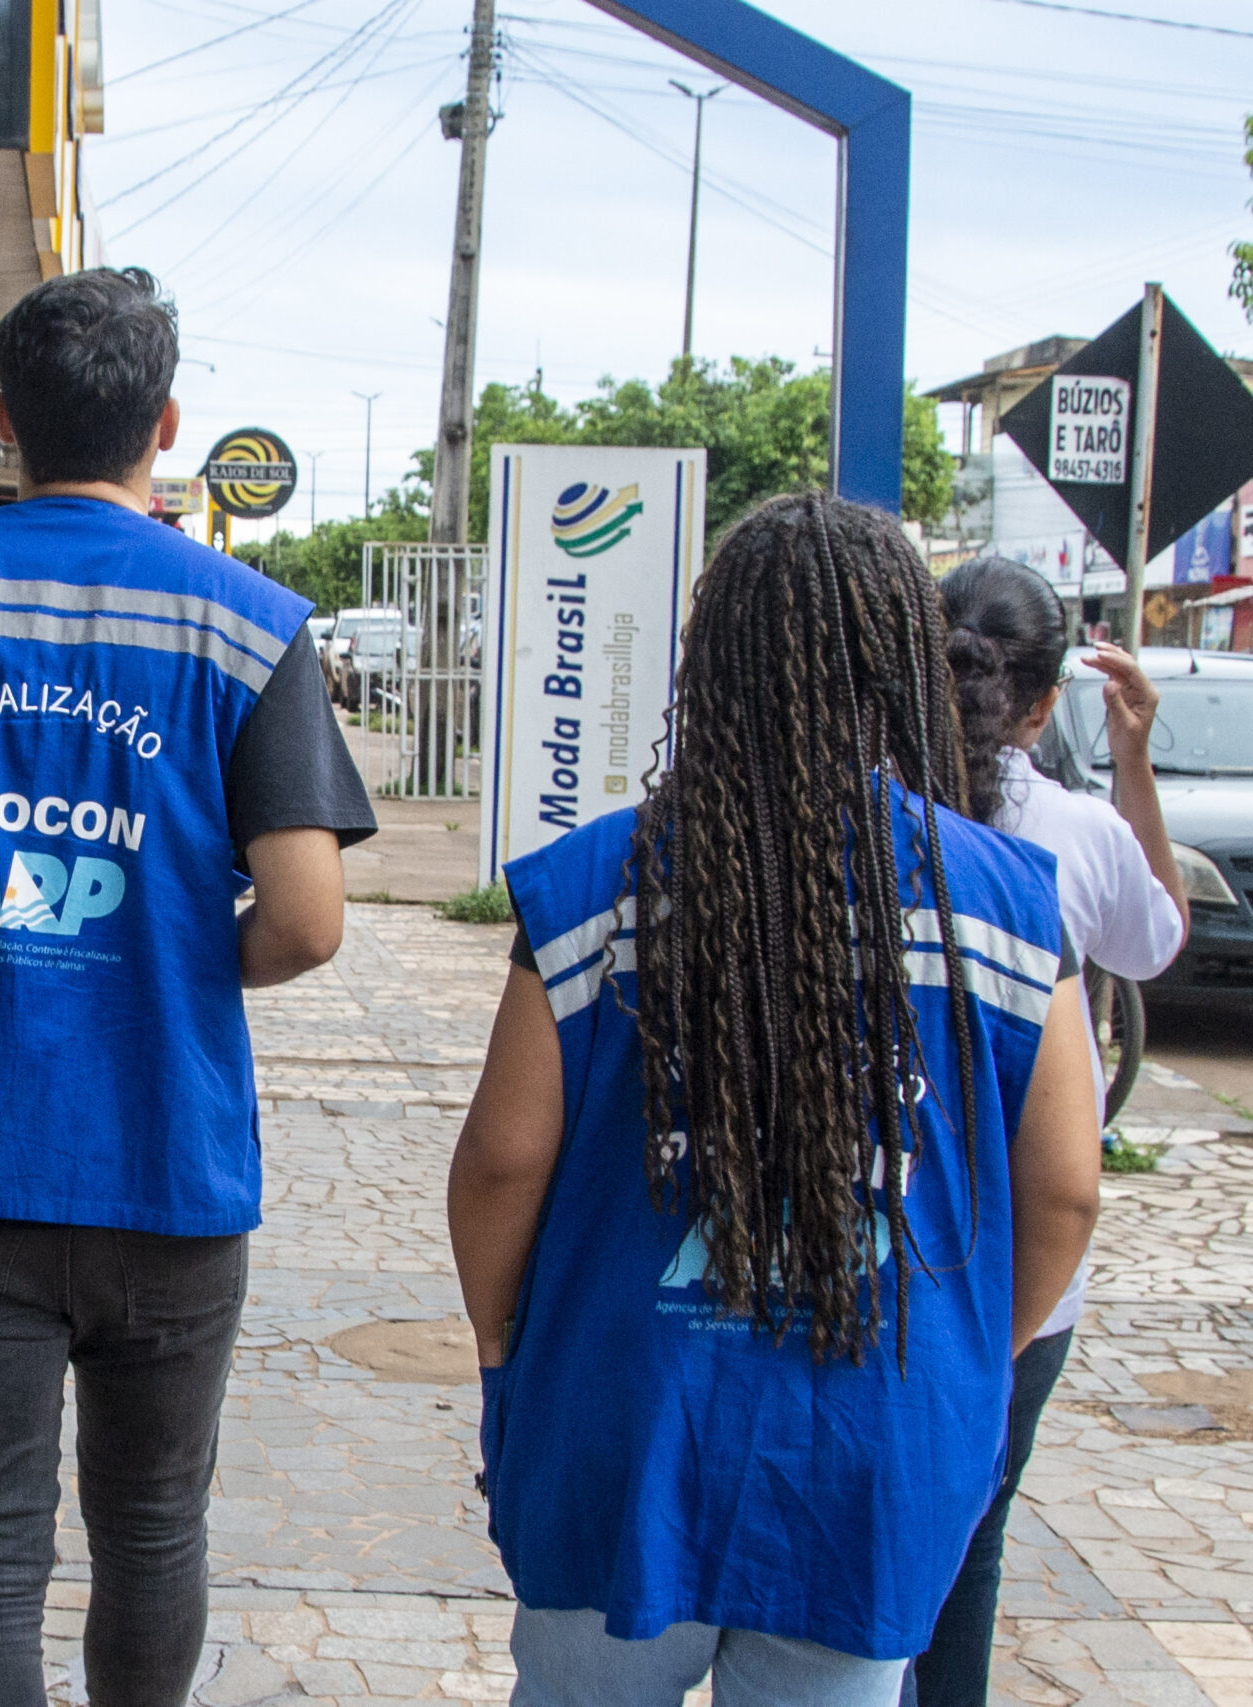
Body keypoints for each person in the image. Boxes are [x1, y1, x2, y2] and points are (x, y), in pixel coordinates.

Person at [0, 267, 376, 1707]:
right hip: (165, 1164)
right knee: (154, 1529)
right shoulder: (248, 625)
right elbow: (307, 921)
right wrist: (165, 949)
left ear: (2, 419)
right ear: (165, 425)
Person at [449, 493, 1103, 1707]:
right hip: (870, 1449)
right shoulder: (1010, 905)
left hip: (620, 1420)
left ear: (711, 659)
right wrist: (970, 1357)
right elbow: (1064, 1189)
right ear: (905, 663)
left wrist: (502, 1350)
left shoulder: (594, 887)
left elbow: (501, 1162)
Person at [907, 558, 1189, 1707]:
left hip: (872, 1238)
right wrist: (1131, 758)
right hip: (1022, 1269)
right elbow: (1155, 943)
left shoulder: (854, 815)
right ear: (1042, 703)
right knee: (968, 1539)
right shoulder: (1072, 836)